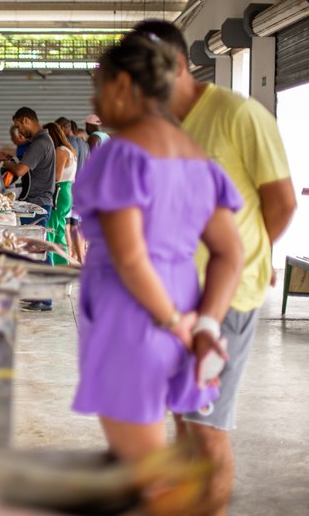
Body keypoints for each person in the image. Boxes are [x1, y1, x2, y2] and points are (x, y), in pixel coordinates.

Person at [127, 20, 297, 515]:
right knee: (183, 420)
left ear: (177, 65)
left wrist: (254, 252)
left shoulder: (237, 115)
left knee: (205, 431)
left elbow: (282, 201)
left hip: (224, 299)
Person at [71, 34, 244, 476]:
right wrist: (202, 324)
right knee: (168, 469)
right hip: (182, 307)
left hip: (134, 317)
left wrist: (170, 322)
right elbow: (230, 253)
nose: (95, 99)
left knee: (143, 477)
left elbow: (130, 259)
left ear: (124, 86)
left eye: (100, 85)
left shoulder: (123, 156)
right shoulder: (198, 159)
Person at [0, 107, 56, 226]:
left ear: (26, 120)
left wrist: (2, 163)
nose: (19, 132)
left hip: (38, 203)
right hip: (37, 202)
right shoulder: (40, 141)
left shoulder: (40, 143)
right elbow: (28, 166)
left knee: (34, 242)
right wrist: (11, 160)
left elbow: (19, 171)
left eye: (18, 126)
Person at [56, 117, 89, 264]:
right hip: (83, 188)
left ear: (63, 128)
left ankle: (69, 257)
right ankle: (80, 258)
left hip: (69, 187)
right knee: (78, 226)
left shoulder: (67, 146)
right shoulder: (84, 143)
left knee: (67, 226)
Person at [42, 122, 76, 265]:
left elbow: (56, 176)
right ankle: (62, 263)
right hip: (66, 191)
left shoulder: (61, 151)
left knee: (51, 230)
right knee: (59, 230)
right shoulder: (69, 149)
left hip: (59, 191)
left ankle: (54, 264)